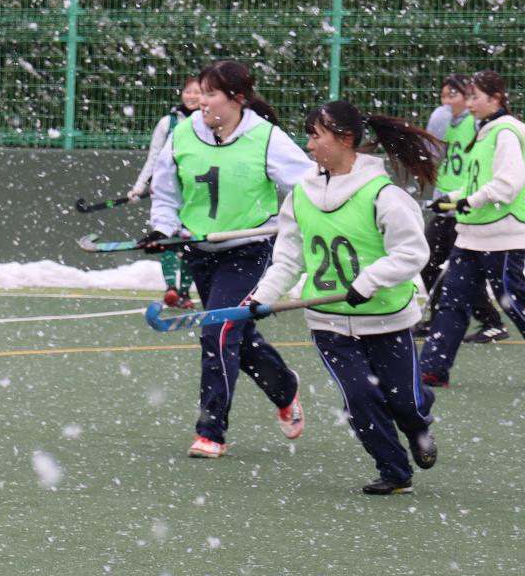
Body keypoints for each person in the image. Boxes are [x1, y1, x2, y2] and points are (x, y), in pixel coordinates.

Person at [244, 102, 438, 495]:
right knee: (360, 398)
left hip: (386, 317)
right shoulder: (300, 195)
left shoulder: (383, 195)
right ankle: (394, 471)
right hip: (328, 321)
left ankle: (417, 423)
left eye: (317, 135)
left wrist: (369, 281)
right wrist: (260, 297)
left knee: (404, 402)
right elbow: (289, 258)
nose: (310, 145)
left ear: (345, 139)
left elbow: (411, 253)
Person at [143, 59, 314, 458]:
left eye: (211, 94)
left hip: (250, 252)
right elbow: (166, 194)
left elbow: (308, 188)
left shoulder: (266, 138)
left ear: (238, 99)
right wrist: (162, 231)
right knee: (238, 336)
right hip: (200, 252)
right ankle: (285, 386)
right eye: (200, 93)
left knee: (216, 331)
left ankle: (211, 431)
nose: (202, 102)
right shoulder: (183, 135)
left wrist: (295, 226)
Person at [418, 69, 525, 388]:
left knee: (515, 301)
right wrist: (451, 199)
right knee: (452, 301)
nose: (470, 102)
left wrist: (470, 201)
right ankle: (433, 368)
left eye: (475, 96)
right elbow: (475, 182)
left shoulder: (506, 132)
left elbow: (506, 186)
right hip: (472, 237)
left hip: (503, 236)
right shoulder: (484, 132)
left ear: (496, 99)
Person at [420, 73, 507, 342]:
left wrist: (468, 198)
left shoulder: (482, 126)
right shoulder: (447, 121)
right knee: (428, 263)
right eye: (444, 95)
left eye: (453, 94)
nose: (447, 101)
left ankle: (492, 322)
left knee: (462, 273)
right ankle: (436, 321)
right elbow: (433, 153)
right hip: (447, 205)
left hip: (467, 208)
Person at [130, 75, 204, 306]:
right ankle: (171, 289)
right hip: (171, 191)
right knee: (168, 237)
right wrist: (140, 186)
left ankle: (184, 292)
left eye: (197, 92)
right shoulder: (167, 123)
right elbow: (154, 157)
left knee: (191, 242)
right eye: (188, 91)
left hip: (197, 193)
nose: (191, 96)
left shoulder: (210, 122)